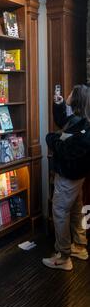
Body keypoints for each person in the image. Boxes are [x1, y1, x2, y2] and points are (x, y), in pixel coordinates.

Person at [43, 84, 90, 271]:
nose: (67, 94)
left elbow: (66, 150)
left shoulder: (84, 129)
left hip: (69, 176)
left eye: (70, 93)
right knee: (76, 210)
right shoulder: (80, 120)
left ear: (76, 99)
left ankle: (63, 257)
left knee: (60, 211)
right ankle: (79, 246)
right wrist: (59, 105)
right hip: (78, 176)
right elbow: (64, 121)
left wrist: (51, 138)